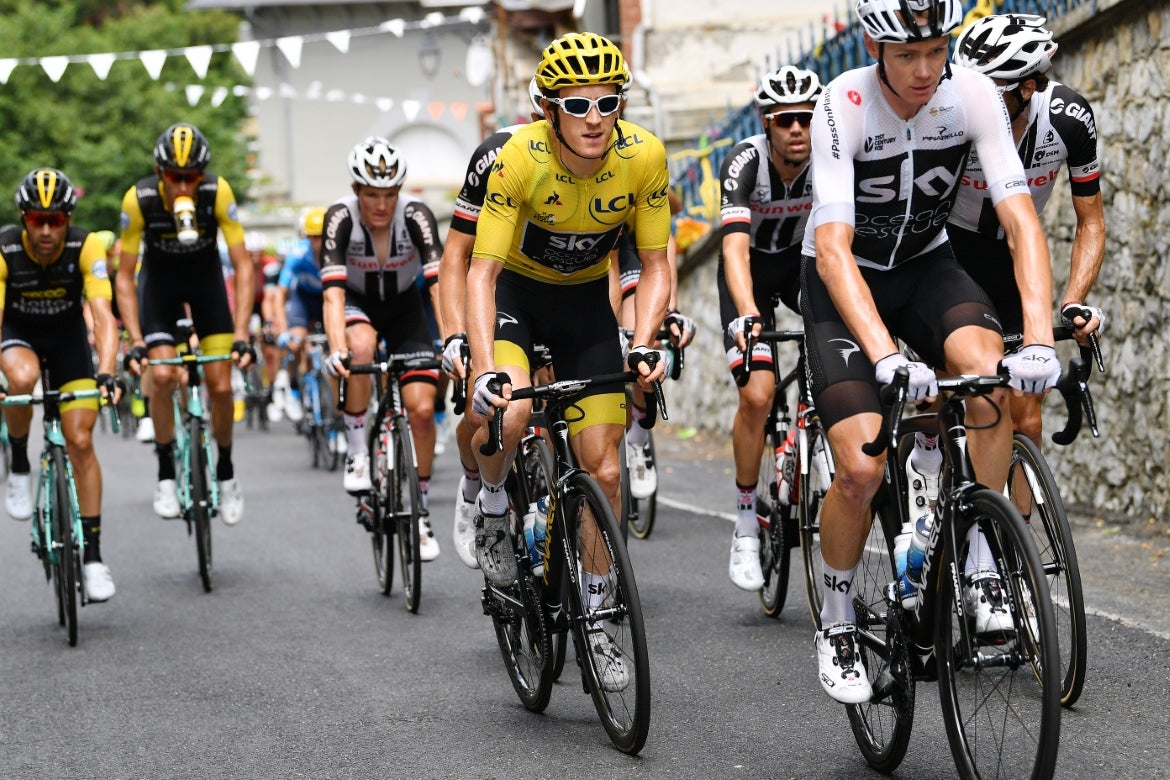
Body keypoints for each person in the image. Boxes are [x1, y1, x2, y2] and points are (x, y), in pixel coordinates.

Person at [803, 0, 1061, 704]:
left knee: (987, 374)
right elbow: (831, 250)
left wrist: (1036, 333)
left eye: (935, 51)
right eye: (906, 55)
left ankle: (979, 564)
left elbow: (1020, 220)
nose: (924, 71)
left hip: (926, 266)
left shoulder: (972, 93)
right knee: (859, 466)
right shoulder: (844, 102)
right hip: (846, 284)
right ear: (874, 46)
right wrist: (886, 356)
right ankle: (835, 617)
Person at [465, 32, 671, 688]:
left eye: (607, 104)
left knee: (605, 472)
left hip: (585, 305)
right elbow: (480, 273)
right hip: (516, 300)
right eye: (576, 105)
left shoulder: (644, 157)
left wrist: (644, 339)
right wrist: (481, 366)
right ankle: (494, 505)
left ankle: (600, 614)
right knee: (516, 414)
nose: (593, 120)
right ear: (548, 109)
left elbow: (659, 264)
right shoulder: (518, 159)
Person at [897, 13, 1107, 518]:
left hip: (1015, 258)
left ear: (1029, 87)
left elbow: (1091, 222)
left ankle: (1011, 558)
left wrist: (1073, 298)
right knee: (942, 399)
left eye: (991, 89)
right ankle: (927, 505)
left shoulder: (1067, 121)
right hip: (949, 255)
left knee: (1026, 419)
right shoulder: (946, 115)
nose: (972, 98)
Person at [117, 122, 255, 526]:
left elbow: (244, 265)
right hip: (159, 289)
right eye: (174, 177)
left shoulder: (217, 192)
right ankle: (164, 473)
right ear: (160, 174)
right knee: (162, 378)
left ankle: (226, 471)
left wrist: (243, 333)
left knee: (220, 384)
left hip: (206, 285)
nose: (182, 186)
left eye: (191, 177)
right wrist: (137, 339)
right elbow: (125, 276)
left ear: (202, 176)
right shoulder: (138, 200)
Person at [718, 65, 820, 592]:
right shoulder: (745, 162)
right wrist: (747, 311)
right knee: (757, 396)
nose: (798, 129)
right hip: (750, 275)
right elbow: (734, 248)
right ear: (767, 122)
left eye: (806, 117)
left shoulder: (829, 154)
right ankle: (743, 522)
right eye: (786, 120)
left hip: (801, 267)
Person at [0, 168, 124, 601]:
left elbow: (104, 316)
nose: (48, 230)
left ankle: (92, 557)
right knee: (21, 378)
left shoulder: (86, 245)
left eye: (56, 220)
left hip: (68, 340)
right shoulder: (5, 248)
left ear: (69, 219)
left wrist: (107, 370)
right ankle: (18, 461)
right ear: (23, 218)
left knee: (81, 440)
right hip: (19, 335)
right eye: (37, 220)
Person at [320, 137, 444, 561]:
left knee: (423, 410)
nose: (381, 204)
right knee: (360, 347)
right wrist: (337, 349)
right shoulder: (339, 217)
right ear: (356, 191)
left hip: (406, 306)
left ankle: (420, 507)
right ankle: (357, 452)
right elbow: (332, 295)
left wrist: (454, 340)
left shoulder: (416, 215)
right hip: (357, 302)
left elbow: (439, 285)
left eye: (390, 194)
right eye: (372, 194)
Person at [438, 84, 541, 570]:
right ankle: (475, 487)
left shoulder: (601, 158)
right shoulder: (495, 155)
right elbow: (456, 257)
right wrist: (455, 333)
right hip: (500, 289)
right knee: (496, 410)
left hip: (563, 292)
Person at [275, 206, 328, 427]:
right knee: (296, 343)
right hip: (303, 299)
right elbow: (281, 294)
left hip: (327, 299)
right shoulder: (297, 254)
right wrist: (283, 330)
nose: (317, 243)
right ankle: (294, 389)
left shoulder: (339, 252)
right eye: (312, 237)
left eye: (321, 237)